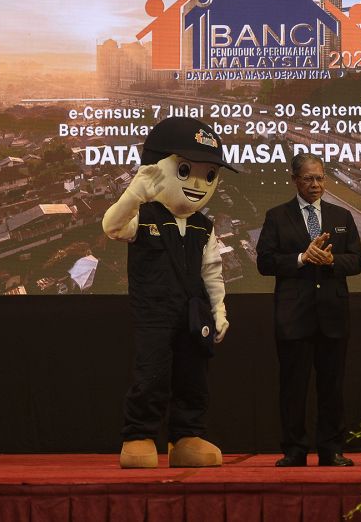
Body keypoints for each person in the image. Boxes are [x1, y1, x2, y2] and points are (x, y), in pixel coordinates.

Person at [102, 117, 235, 468]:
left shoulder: (203, 226)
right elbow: (112, 226)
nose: (198, 183)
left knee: (194, 375)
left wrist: (219, 309)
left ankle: (186, 436)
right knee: (152, 373)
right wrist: (133, 194)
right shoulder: (143, 215)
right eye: (186, 170)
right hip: (155, 312)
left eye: (208, 176)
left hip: (194, 313)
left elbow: (212, 271)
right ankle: (139, 435)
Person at [256, 153, 361, 467]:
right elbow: (265, 262)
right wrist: (302, 258)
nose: (315, 184)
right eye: (308, 178)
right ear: (295, 180)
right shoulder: (277, 216)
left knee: (332, 386)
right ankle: (294, 449)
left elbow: (357, 261)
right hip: (293, 317)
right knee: (293, 386)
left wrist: (332, 261)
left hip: (333, 316)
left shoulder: (341, 216)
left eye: (319, 178)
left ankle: (331, 449)